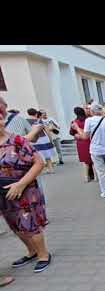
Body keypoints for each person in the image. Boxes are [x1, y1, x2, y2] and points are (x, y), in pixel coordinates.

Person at [0, 111, 51, 274]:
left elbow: (39, 163)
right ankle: (32, 252)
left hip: (24, 189)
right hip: (3, 192)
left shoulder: (16, 140)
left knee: (30, 223)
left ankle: (43, 254)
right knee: (14, 224)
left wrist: (21, 184)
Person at [73, 102, 105, 199]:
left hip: (96, 150)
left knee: (101, 172)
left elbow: (85, 136)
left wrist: (77, 128)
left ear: (92, 111)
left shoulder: (89, 121)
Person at [26, 109, 56, 174]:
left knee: (37, 155)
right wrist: (50, 139)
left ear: (28, 113)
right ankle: (51, 169)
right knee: (47, 154)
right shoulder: (39, 120)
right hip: (43, 138)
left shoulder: (26, 121)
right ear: (36, 113)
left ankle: (39, 170)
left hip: (34, 139)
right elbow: (47, 130)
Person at [70, 107, 95, 182]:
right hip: (89, 140)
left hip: (80, 142)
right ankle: (96, 177)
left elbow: (71, 132)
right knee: (93, 160)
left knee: (85, 162)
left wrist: (76, 135)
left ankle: (86, 177)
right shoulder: (88, 120)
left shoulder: (74, 122)